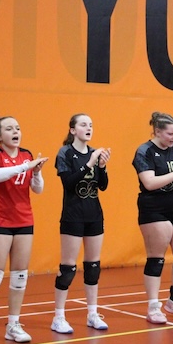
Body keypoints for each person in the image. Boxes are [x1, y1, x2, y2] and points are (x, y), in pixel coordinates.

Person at [0, 117, 48, 344]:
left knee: (20, 276)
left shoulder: (26, 154)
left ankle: (13, 325)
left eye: (18, 128)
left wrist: (36, 173)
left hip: (24, 219)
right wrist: (26, 167)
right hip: (0, 220)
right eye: (9, 128)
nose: (15, 132)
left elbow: (38, 189)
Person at [132, 112, 173, 324]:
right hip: (154, 209)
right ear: (157, 132)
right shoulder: (144, 151)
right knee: (156, 259)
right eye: (170, 133)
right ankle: (153, 307)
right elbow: (149, 183)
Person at [52, 114, 111, 333]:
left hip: (94, 215)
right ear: (73, 130)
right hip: (73, 215)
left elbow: (102, 186)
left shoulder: (95, 153)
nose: (89, 128)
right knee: (68, 268)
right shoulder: (65, 153)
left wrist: (102, 166)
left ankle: (92, 313)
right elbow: (68, 183)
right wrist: (90, 163)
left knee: (93, 266)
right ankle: (58, 316)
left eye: (91, 125)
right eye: (83, 124)